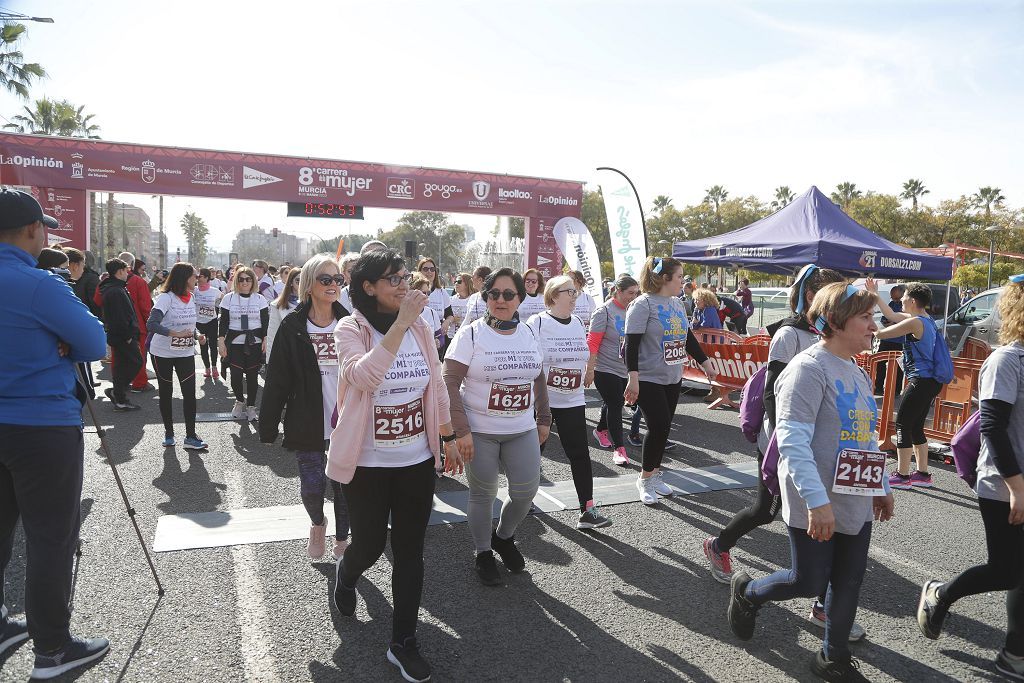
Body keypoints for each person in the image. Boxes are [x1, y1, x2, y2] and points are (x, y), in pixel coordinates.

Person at [727, 283, 895, 681]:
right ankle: (748, 592)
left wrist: (882, 486)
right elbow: (793, 443)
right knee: (809, 580)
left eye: (874, 318)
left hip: (855, 495)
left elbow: (866, 438)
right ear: (835, 323)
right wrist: (817, 502)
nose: (875, 326)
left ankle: (832, 657)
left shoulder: (856, 371)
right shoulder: (807, 369)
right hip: (813, 495)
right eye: (865, 318)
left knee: (849, 579)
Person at [703, 265, 868, 640]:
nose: (870, 325)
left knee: (833, 536)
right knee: (766, 511)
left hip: (824, 450)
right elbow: (773, 393)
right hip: (783, 441)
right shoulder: (790, 335)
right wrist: (787, 442)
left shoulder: (840, 350)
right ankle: (718, 545)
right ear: (814, 297)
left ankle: (825, 610)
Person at [326, 249, 460, 683]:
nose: (404, 285)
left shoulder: (420, 326)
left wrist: (447, 435)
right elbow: (363, 377)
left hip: (415, 460)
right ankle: (347, 575)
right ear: (368, 287)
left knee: (409, 551)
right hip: (367, 464)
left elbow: (436, 382)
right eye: (393, 279)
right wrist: (400, 323)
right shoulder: (349, 327)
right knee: (366, 545)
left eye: (405, 276)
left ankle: (403, 642)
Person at [0, 188, 110, 678]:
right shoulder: (40, 285)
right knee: (49, 537)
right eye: (42, 226)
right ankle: (52, 649)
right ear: (30, 231)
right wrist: (58, 341)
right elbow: (93, 342)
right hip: (41, 425)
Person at [916, 276, 1024, 681]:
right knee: (1006, 571)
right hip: (1005, 483)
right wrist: (1017, 487)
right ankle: (941, 593)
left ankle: (1014, 656)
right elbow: (993, 427)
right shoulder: (1006, 361)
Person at [444, 267, 551, 586]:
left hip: (521, 427)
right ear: (485, 296)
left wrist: (544, 417)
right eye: (494, 294)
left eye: (508, 294)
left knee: (525, 492)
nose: (501, 300)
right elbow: (449, 382)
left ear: (520, 298)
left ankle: (504, 537)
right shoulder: (472, 333)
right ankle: (483, 552)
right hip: (480, 430)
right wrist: (460, 431)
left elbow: (539, 375)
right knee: (483, 493)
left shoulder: (529, 332)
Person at [261, 254, 351, 560]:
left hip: (347, 419)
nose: (333, 285)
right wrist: (268, 424)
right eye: (325, 280)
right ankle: (317, 523)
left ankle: (342, 539)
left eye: (337, 280)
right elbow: (277, 378)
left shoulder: (351, 323)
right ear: (309, 285)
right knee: (313, 486)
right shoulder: (293, 325)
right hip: (307, 417)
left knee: (344, 486)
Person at [623, 256, 716, 504]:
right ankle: (644, 478)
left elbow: (686, 337)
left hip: (673, 376)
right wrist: (633, 379)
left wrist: (705, 363)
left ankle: (653, 474)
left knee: (663, 429)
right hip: (647, 377)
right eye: (679, 277)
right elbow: (630, 346)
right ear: (665, 279)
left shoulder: (677, 304)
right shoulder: (643, 305)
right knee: (659, 426)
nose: (683, 282)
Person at [527, 275, 611, 529]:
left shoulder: (576, 322)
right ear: (553, 296)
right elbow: (529, 359)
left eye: (576, 292)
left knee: (580, 454)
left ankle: (587, 508)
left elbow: (582, 352)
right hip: (543, 400)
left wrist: (588, 370)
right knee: (534, 453)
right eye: (570, 292)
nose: (576, 297)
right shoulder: (537, 322)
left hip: (573, 398)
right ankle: (523, 498)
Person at [866, 280, 947, 489]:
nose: (900, 299)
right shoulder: (924, 320)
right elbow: (892, 317)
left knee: (902, 424)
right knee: (916, 426)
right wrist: (875, 295)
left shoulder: (914, 323)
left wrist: (865, 320)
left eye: (903, 297)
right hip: (931, 381)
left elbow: (882, 333)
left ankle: (902, 476)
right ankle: (922, 474)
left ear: (912, 300)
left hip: (921, 380)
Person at [147, 263, 208, 450]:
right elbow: (152, 324)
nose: (197, 279)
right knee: (166, 391)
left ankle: (190, 436)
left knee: (189, 393)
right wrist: (174, 334)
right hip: (162, 353)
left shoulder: (191, 297)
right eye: (194, 276)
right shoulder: (166, 298)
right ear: (184, 278)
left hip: (185, 352)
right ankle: (169, 433)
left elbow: (190, 324)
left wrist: (197, 335)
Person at [587, 274, 639, 466]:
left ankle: (601, 429)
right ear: (618, 291)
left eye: (636, 293)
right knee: (616, 403)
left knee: (612, 402)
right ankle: (620, 449)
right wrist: (590, 369)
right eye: (630, 293)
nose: (633, 297)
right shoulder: (604, 311)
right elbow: (592, 343)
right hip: (604, 367)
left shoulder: (635, 310)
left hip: (626, 368)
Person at [219, 265, 269, 421]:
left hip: (255, 343)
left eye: (248, 279)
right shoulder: (229, 298)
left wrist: (266, 339)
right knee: (235, 376)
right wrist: (221, 341)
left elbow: (265, 322)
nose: (244, 282)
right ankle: (239, 401)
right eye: (241, 279)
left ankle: (251, 407)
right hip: (234, 343)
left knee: (253, 377)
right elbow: (224, 322)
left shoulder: (260, 299)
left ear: (253, 281)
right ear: (236, 281)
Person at [99, 258, 144, 411]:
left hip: (119, 334)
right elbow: (119, 317)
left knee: (122, 366)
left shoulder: (114, 287)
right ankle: (118, 393)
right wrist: (128, 336)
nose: (127, 273)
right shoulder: (115, 290)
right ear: (119, 272)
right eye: (125, 270)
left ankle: (119, 397)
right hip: (122, 335)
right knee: (135, 362)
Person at [126, 257, 155, 393]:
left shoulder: (106, 281)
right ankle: (139, 383)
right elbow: (145, 306)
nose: (143, 272)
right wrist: (150, 323)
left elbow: (98, 301)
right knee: (139, 356)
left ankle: (121, 383)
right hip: (137, 326)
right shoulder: (138, 281)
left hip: (116, 326)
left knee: (120, 357)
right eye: (142, 270)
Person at [416, 258, 454, 354]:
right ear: (419, 271)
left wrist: (446, 323)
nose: (429, 272)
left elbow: (450, 315)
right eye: (425, 269)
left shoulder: (442, 292)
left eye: (432, 269)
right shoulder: (413, 292)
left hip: (437, 333)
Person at [873, 285, 906, 396]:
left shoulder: (905, 306)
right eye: (893, 298)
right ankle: (878, 387)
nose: (894, 301)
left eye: (897, 298)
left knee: (898, 366)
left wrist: (893, 322)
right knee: (880, 362)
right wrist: (888, 322)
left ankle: (896, 390)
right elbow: (885, 318)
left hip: (900, 341)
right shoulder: (891, 304)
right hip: (887, 339)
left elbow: (902, 320)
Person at [194, 268, 223, 380]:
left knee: (212, 346)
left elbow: (224, 299)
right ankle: (207, 368)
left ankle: (215, 367)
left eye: (199, 276)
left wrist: (220, 309)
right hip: (199, 322)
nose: (197, 278)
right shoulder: (194, 290)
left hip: (212, 321)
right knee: (203, 346)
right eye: (196, 277)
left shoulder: (214, 291)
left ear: (206, 278)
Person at [267, 268, 300, 361]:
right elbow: (272, 335)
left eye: (305, 280)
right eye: (298, 280)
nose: (302, 283)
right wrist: (270, 361)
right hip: (287, 353)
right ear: (290, 282)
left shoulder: (314, 303)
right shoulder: (277, 305)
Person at [411, 274, 444, 356]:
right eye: (423, 292)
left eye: (428, 293)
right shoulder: (401, 313)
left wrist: (438, 342)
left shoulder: (432, 313)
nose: (426, 296)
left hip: (428, 358)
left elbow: (440, 336)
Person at [448, 272, 474, 343]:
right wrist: (451, 319)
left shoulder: (473, 299)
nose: (456, 284)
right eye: (455, 282)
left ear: (467, 284)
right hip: (451, 337)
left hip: (468, 338)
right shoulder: (450, 300)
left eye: (459, 282)